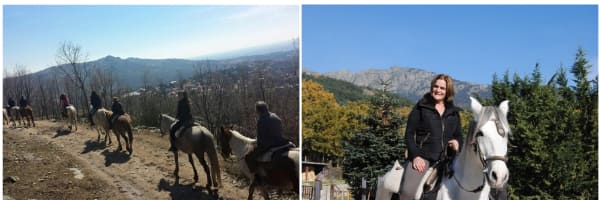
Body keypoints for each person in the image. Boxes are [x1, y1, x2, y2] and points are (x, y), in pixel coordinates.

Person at [399, 74, 463, 200]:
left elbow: (459, 135)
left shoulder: (454, 113)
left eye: (442, 88)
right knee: (408, 192)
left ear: (447, 91)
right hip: (423, 159)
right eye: (436, 86)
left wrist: (457, 142)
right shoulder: (421, 107)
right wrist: (416, 156)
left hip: (448, 160)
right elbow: (409, 134)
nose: (438, 90)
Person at [244, 101, 289, 173]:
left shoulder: (261, 120)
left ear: (258, 110)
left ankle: (256, 177)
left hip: (269, 144)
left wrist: (255, 143)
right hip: (281, 141)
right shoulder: (275, 116)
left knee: (248, 157)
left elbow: (261, 140)